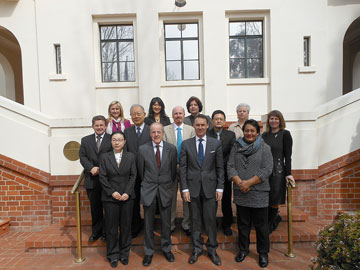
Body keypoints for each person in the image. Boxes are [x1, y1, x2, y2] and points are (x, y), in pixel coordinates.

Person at [227, 119, 273, 268]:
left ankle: (263, 253)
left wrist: (249, 183)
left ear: (257, 132)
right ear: (243, 132)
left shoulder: (265, 148)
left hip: (259, 192)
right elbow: (230, 166)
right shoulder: (236, 146)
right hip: (241, 192)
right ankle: (243, 249)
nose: (249, 133)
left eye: (252, 131)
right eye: (247, 130)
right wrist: (240, 182)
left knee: (261, 226)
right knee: (243, 224)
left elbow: (267, 169)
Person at [180, 114, 224, 266]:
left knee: (211, 220)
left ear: (207, 126)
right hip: (192, 189)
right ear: (194, 126)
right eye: (197, 125)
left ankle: (212, 249)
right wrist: (184, 189)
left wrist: (220, 187)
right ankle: (197, 248)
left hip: (211, 188)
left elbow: (220, 167)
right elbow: (183, 169)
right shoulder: (186, 144)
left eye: (202, 125)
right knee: (195, 220)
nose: (199, 127)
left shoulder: (215, 144)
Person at [137, 122, 178, 267]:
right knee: (148, 223)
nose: (156, 134)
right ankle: (148, 252)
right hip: (149, 189)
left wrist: (164, 182)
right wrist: (149, 183)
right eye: (153, 132)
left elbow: (173, 171)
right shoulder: (142, 149)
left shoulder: (172, 149)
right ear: (150, 134)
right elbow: (141, 171)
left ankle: (166, 249)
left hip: (166, 189)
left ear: (163, 133)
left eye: (158, 132)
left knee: (166, 222)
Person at [99, 131, 136, 268]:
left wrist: (127, 192)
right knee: (111, 228)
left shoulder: (131, 156)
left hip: (127, 197)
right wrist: (111, 192)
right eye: (114, 139)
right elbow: (102, 177)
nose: (117, 142)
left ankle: (124, 254)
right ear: (111, 141)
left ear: (124, 141)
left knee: (126, 227)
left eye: (120, 140)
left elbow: (133, 175)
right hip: (110, 198)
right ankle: (113, 254)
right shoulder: (104, 157)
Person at [163, 105, 196, 235]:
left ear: (183, 115)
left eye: (180, 113)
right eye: (175, 113)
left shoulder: (191, 130)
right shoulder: (165, 130)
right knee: (170, 198)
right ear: (172, 115)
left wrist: (183, 165)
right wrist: (174, 165)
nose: (178, 116)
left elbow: (192, 149)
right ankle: (170, 224)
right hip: (170, 169)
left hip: (187, 169)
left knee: (187, 197)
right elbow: (164, 150)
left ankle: (186, 224)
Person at [79, 115, 112, 242]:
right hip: (92, 179)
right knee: (95, 208)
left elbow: (114, 155)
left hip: (108, 179)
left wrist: (102, 169)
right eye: (96, 125)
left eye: (101, 125)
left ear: (105, 126)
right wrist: (91, 168)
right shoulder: (85, 140)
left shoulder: (111, 139)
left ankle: (106, 233)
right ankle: (96, 232)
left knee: (108, 207)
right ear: (93, 126)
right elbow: (82, 156)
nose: (99, 127)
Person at [262, 110, 294, 233]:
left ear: (280, 120)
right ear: (268, 121)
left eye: (276, 118)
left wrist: (288, 173)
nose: (273, 121)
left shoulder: (285, 134)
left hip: (278, 170)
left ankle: (272, 220)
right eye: (271, 119)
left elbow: (288, 155)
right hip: (265, 169)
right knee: (265, 196)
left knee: (275, 197)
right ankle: (268, 219)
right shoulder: (264, 135)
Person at [124, 104, 152, 238]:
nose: (136, 116)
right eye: (133, 114)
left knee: (148, 201)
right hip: (132, 173)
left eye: (139, 113)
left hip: (148, 172)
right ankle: (135, 227)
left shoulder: (151, 130)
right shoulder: (127, 132)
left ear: (144, 114)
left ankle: (149, 228)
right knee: (133, 201)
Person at [207, 110, 236, 236]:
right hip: (210, 171)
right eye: (216, 118)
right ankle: (210, 223)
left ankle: (227, 224)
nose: (218, 120)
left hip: (225, 171)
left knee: (226, 199)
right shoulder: (207, 134)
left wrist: (221, 164)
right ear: (212, 121)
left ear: (224, 121)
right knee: (211, 199)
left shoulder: (230, 135)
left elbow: (232, 153)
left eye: (221, 119)